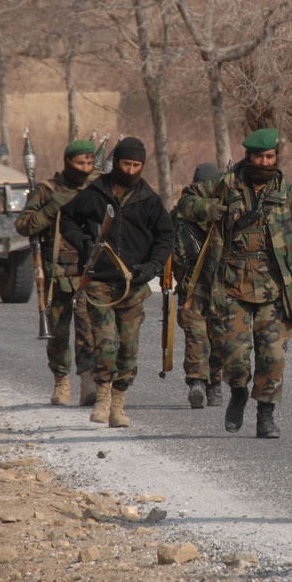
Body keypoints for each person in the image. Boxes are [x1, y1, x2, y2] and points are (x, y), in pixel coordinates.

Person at [176, 128, 292, 439]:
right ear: (247, 156)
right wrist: (209, 209)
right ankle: (237, 392)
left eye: (271, 156)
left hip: (276, 289)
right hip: (230, 287)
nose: (265, 161)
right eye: (260, 156)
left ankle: (266, 415)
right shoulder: (223, 186)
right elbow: (185, 202)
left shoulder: (287, 194)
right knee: (233, 354)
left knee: (272, 356)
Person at [59, 137, 173, 428]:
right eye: (126, 164)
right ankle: (103, 398)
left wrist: (154, 266)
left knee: (128, 349)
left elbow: (165, 236)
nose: (131, 170)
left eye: (137, 165)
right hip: (100, 282)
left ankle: (119, 404)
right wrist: (84, 242)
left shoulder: (149, 199)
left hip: (134, 286)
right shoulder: (95, 193)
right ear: (116, 162)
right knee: (107, 343)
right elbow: (68, 219)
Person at [14, 139, 98, 407]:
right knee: (59, 335)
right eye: (79, 163)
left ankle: (89, 381)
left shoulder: (97, 189)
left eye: (89, 162)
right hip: (56, 275)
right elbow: (24, 225)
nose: (85, 168)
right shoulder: (48, 191)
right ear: (67, 163)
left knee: (90, 333)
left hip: (89, 272)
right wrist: (52, 208)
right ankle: (61, 381)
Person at [172, 162, 225, 409]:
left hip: (218, 286)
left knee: (218, 335)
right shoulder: (180, 215)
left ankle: (214, 383)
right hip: (191, 286)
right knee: (197, 335)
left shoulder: (222, 214)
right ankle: (197, 382)